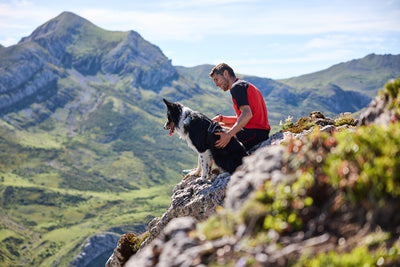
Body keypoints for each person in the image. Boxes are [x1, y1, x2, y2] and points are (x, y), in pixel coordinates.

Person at [209, 63, 270, 151]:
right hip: (259, 132)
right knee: (221, 126)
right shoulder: (243, 85)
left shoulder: (236, 87)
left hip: (253, 134)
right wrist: (221, 119)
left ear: (226, 74)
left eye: (217, 79)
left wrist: (228, 135)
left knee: (215, 136)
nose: (216, 85)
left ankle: (207, 165)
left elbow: (247, 114)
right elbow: (243, 118)